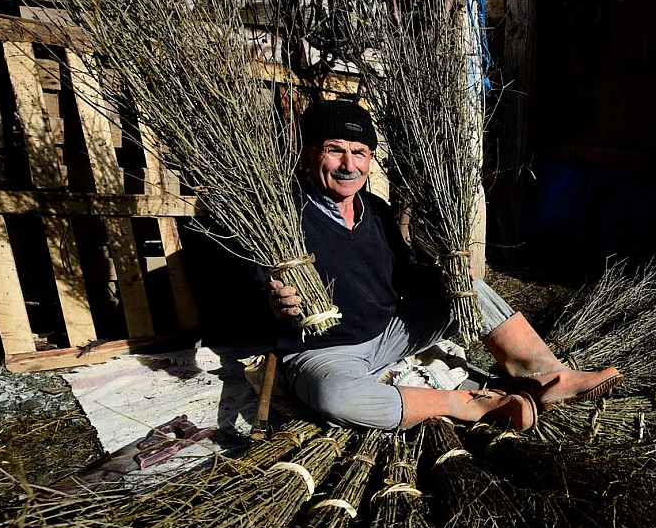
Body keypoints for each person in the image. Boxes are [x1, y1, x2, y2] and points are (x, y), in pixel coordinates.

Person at [266, 99, 620, 432]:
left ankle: (549, 377)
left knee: (465, 287)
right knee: (336, 398)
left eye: (359, 152)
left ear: (371, 157)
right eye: (334, 150)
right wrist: (275, 305)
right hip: (326, 352)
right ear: (308, 155)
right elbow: (248, 300)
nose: (349, 165)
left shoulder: (374, 210)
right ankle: (465, 403)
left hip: (389, 334)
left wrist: (438, 276)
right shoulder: (279, 218)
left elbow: (403, 274)